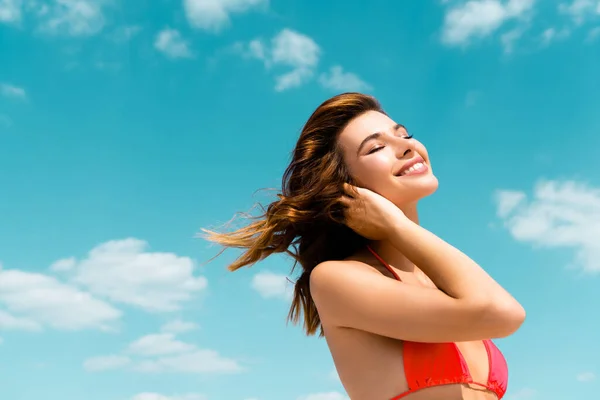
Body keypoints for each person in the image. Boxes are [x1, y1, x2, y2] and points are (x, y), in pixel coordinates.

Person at [203, 93, 526, 400]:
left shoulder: (444, 283)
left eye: (404, 134)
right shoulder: (336, 279)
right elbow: (504, 314)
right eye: (375, 148)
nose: (405, 147)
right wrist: (396, 226)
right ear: (347, 186)